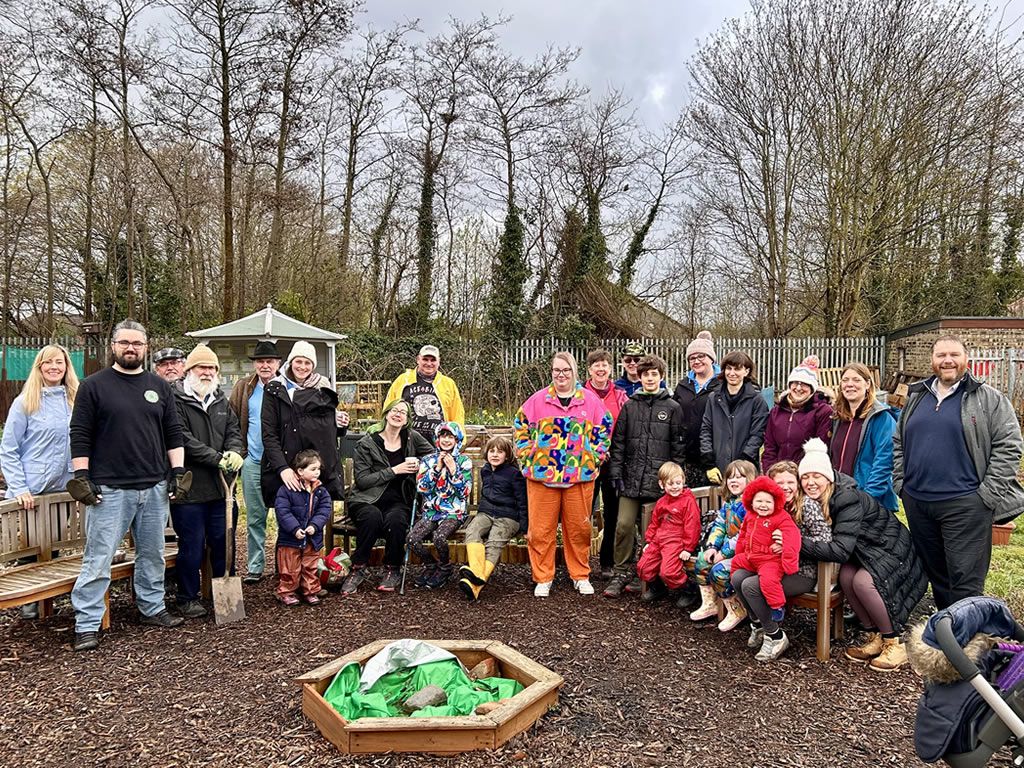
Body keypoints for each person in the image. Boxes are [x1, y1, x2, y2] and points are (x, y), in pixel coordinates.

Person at [66, 320, 189, 652]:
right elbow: (79, 434)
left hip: (153, 487)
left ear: (146, 347)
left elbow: (173, 432)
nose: (131, 348)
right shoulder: (93, 386)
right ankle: (88, 622)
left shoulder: (159, 387)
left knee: (152, 554)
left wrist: (177, 471)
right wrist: (82, 476)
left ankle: (151, 608)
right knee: (99, 557)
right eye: (125, 343)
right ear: (113, 346)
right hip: (109, 489)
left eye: (137, 343)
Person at [894, 336, 1024, 610]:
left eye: (954, 354)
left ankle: (968, 645)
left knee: (965, 580)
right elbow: (898, 442)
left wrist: (987, 495)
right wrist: (901, 484)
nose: (947, 360)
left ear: (966, 359)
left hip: (966, 504)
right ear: (932, 360)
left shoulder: (988, 399)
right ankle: (947, 635)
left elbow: (1010, 446)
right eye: (941, 355)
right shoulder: (918, 396)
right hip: (918, 503)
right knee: (937, 575)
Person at [798, 438, 927, 672]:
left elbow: (839, 550)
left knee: (863, 582)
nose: (810, 482)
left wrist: (798, 543)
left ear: (828, 476)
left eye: (816, 476)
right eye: (805, 477)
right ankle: (874, 636)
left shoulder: (846, 498)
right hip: (865, 552)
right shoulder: (817, 500)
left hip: (891, 550)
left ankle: (894, 642)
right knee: (847, 578)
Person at [513, 351, 612, 597]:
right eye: (557, 370)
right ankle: (543, 577)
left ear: (574, 372)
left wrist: (595, 456)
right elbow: (519, 428)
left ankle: (580, 574)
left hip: (579, 477)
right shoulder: (537, 401)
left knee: (579, 529)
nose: (561, 375)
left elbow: (605, 428)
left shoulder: (589, 401)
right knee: (540, 530)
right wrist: (528, 456)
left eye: (566, 370)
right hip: (542, 478)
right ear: (551, 372)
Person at [0, 344, 78, 619]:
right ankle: (29, 600)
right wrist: (19, 487)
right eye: (48, 363)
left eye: (60, 362)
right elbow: (9, 448)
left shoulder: (75, 400)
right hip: (33, 487)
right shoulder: (25, 402)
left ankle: (50, 597)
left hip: (65, 485)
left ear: (67, 367)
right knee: (31, 546)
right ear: (40, 367)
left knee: (55, 543)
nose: (54, 367)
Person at [169, 345, 244, 618]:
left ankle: (223, 594)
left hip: (221, 488)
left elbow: (234, 431)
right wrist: (216, 458)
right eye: (202, 368)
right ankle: (187, 597)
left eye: (212, 368)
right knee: (192, 545)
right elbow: (181, 439)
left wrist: (235, 451)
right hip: (189, 487)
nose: (208, 373)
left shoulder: (221, 401)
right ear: (189, 370)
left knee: (225, 541)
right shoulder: (176, 400)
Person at [603, 354, 685, 599]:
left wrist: (673, 479)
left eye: (654, 375)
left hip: (658, 483)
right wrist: (616, 473)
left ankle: (646, 574)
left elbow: (678, 448)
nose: (650, 379)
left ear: (661, 377)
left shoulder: (672, 408)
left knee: (652, 531)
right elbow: (618, 443)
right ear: (639, 378)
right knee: (624, 525)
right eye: (645, 375)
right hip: (630, 480)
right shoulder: (630, 406)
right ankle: (620, 572)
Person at [731, 459, 823, 660]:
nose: (785, 487)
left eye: (790, 482)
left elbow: (825, 543)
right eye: (779, 483)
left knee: (751, 586)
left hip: (800, 570)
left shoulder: (807, 506)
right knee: (737, 576)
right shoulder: (766, 504)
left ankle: (776, 636)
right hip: (767, 562)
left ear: (797, 483)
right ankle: (759, 625)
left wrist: (794, 544)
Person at [342, 399, 432, 593]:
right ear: (386, 413)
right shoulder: (367, 443)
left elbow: (432, 455)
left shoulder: (411, 438)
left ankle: (393, 569)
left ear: (407, 419)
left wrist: (419, 464)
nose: (398, 414)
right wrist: (394, 470)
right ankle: (357, 568)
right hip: (366, 499)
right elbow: (363, 480)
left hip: (399, 499)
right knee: (372, 518)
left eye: (403, 412)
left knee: (397, 520)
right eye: (394, 410)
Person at [261, 340, 348, 510]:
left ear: (313, 365)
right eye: (298, 361)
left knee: (314, 525)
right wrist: (283, 469)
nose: (302, 367)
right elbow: (269, 434)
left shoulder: (323, 387)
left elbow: (326, 430)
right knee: (289, 525)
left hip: (315, 470)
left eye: (307, 363)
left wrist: (339, 423)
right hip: (289, 469)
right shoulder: (275, 388)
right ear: (291, 362)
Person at [227, 339, 283, 584]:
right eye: (260, 361)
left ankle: (284, 565)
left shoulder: (286, 387)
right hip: (253, 459)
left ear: (278, 363)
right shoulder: (244, 387)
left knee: (285, 516)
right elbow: (231, 420)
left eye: (269, 361)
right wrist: (240, 452)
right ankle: (255, 567)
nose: (265, 365)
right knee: (255, 517)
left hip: (282, 464)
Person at [729, 476, 801, 661]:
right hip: (752, 557)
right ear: (751, 501)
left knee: (765, 581)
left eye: (767, 502)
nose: (763, 505)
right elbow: (743, 536)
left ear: (776, 503)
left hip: (770, 559)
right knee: (736, 576)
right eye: (758, 501)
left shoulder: (781, 517)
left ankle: (775, 626)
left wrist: (789, 560)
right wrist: (739, 554)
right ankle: (757, 625)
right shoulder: (750, 516)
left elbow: (793, 537)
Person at [687, 459, 756, 630]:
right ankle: (710, 604)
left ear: (751, 479)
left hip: (743, 552)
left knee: (720, 571)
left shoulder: (752, 505)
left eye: (740, 476)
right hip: (724, 550)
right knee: (702, 561)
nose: (734, 481)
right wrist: (712, 547)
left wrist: (723, 553)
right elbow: (719, 526)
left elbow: (743, 535)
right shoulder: (729, 503)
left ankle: (736, 609)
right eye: (730, 477)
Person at [459, 435, 527, 601]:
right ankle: (476, 571)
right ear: (486, 453)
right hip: (486, 513)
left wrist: (525, 527)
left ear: (507, 455)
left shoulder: (514, 474)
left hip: (508, 517)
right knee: (472, 530)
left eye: (500, 451)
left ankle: (476, 586)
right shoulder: (486, 470)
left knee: (494, 542)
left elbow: (523, 502)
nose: (495, 455)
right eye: (492, 451)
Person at [582, 349, 629, 578]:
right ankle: (581, 561)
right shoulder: (579, 394)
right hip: (585, 461)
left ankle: (607, 562)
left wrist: (613, 451)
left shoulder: (620, 396)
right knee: (583, 511)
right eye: (596, 365)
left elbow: (625, 428)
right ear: (589, 370)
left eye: (605, 365)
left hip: (613, 462)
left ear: (611, 369)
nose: (601, 369)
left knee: (612, 512)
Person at [410, 422, 473, 589]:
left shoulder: (464, 461)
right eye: (442, 436)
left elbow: (465, 492)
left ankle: (445, 568)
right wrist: (437, 468)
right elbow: (422, 488)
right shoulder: (428, 460)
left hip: (454, 512)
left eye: (450, 436)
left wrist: (453, 470)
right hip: (432, 512)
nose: (446, 440)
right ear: (437, 439)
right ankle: (431, 566)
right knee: (412, 539)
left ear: (457, 439)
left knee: (439, 537)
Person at [829, 361, 898, 510]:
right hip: (840, 498)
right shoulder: (838, 418)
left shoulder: (881, 418)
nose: (850, 384)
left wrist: (867, 499)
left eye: (856, 380)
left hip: (870, 501)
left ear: (867, 384)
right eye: (845, 380)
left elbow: (884, 463)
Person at [274, 449, 333, 606]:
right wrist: (294, 529)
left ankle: (310, 591)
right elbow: (283, 511)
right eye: (313, 469)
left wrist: (315, 525)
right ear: (300, 470)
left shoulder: (321, 491)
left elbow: (324, 510)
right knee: (289, 568)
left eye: (318, 469)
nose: (317, 472)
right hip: (290, 539)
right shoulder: (286, 490)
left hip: (312, 539)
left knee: (310, 566)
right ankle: (286, 592)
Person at [634, 462, 701, 598]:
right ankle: (658, 588)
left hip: (676, 541)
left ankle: (689, 590)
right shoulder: (662, 502)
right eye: (671, 484)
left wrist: (688, 548)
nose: (675, 487)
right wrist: (649, 541)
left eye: (678, 482)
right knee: (643, 566)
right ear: (662, 484)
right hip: (658, 540)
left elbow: (692, 526)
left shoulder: (688, 501)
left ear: (683, 481)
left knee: (668, 571)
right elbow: (654, 523)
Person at [700, 351, 768, 482]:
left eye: (737, 369)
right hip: (718, 467)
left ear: (746, 371)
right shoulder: (714, 398)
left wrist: (742, 463)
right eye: (728, 368)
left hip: (745, 470)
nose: (732, 373)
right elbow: (706, 430)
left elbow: (758, 435)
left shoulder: (756, 400)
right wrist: (708, 463)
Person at [761, 355, 833, 469]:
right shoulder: (776, 412)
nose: (799, 388)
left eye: (804, 384)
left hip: (806, 473)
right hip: (779, 474)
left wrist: (799, 473)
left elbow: (820, 449)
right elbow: (770, 448)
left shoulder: (822, 411)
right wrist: (771, 472)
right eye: (795, 383)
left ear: (812, 388)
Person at [384, 344, 465, 440]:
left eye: (433, 360)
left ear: (439, 362)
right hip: (406, 439)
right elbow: (388, 408)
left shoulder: (448, 384)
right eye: (425, 359)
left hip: (439, 441)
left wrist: (459, 440)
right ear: (418, 359)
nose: (429, 363)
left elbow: (457, 414)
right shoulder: (403, 380)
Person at [673, 330, 721, 489]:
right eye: (692, 358)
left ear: (711, 359)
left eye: (701, 356)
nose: (697, 361)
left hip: (715, 456)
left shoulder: (723, 384)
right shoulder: (683, 385)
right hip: (688, 455)